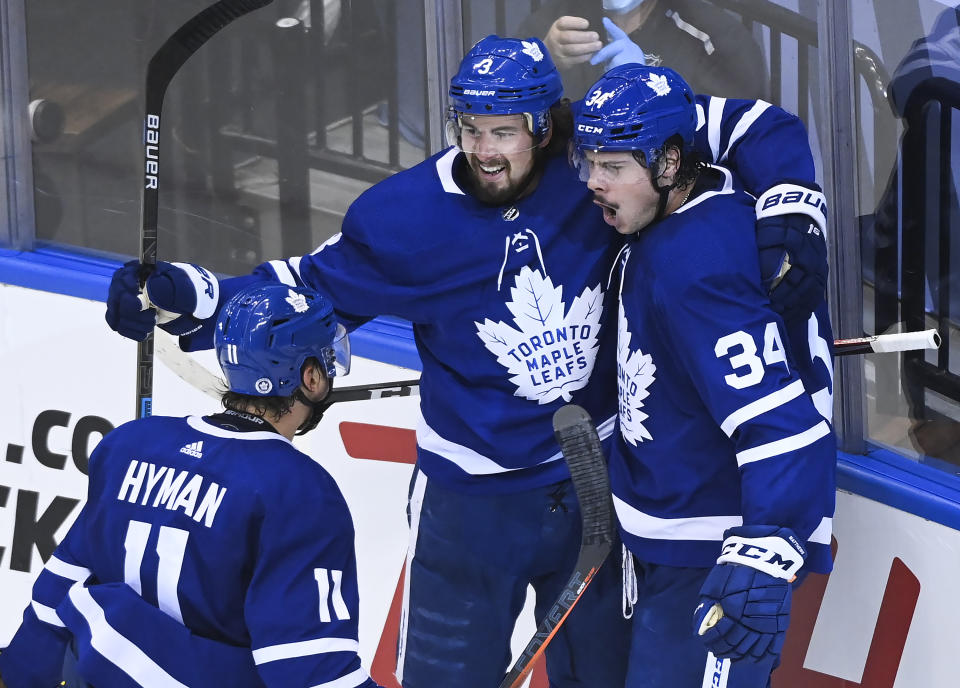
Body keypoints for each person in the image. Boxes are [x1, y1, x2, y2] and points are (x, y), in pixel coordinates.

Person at [103, 36, 828, 687]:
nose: (485, 149)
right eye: (471, 128)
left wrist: (793, 201)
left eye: (505, 131)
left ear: (546, 128)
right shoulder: (407, 218)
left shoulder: (603, 155)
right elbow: (303, 295)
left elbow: (754, 125)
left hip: (598, 489)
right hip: (472, 504)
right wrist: (188, 296)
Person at [571, 63, 835, 687]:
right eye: (589, 162)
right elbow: (760, 121)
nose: (592, 183)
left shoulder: (699, 271)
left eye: (613, 167)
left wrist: (762, 554)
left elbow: (782, 430)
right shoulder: (693, 184)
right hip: (662, 536)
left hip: (707, 555)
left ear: (668, 164)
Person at [0, 283, 382, 688]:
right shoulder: (301, 492)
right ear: (311, 376)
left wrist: (18, 675)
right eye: (328, 360)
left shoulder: (130, 443)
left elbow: (57, 592)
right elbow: (310, 671)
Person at [518, 0, 768, 101]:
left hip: (670, 202)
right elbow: (495, 110)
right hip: (571, 187)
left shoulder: (714, 41)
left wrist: (646, 87)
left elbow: (735, 140)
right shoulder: (552, 23)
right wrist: (542, 61)